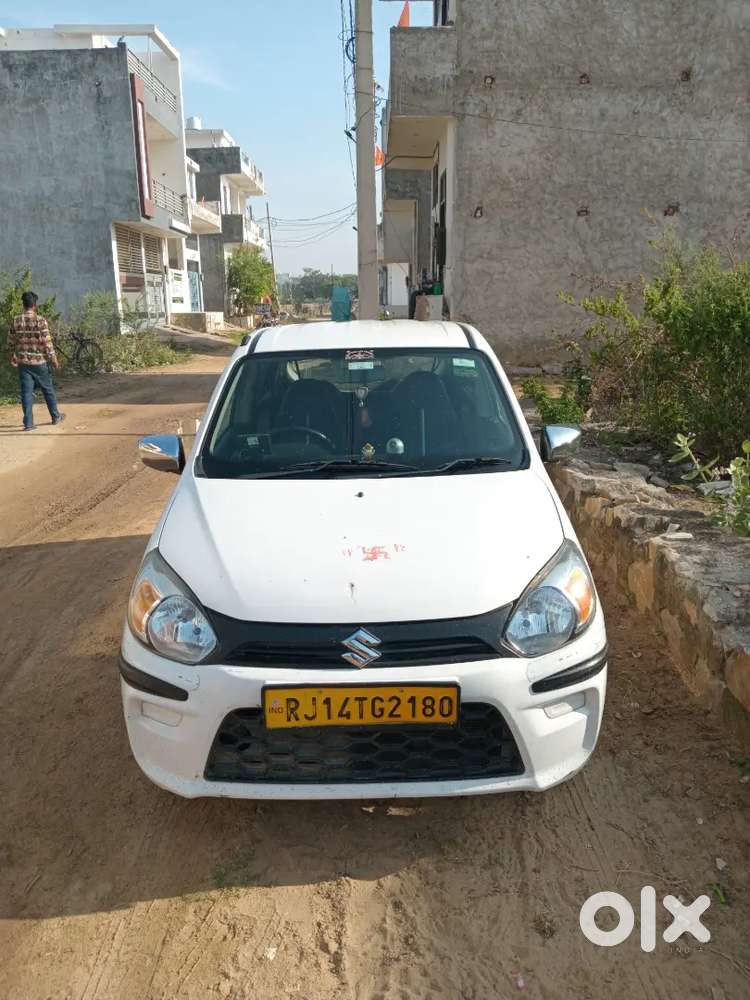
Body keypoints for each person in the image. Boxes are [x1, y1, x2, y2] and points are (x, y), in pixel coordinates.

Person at [7, 291, 65, 431]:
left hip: (23, 363)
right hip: (39, 363)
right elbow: (47, 343)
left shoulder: (16, 320)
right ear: (34, 305)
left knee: (26, 392)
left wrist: (12, 355)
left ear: (23, 304)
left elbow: (10, 342)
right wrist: (54, 360)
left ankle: (28, 423)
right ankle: (55, 416)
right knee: (48, 389)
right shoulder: (40, 320)